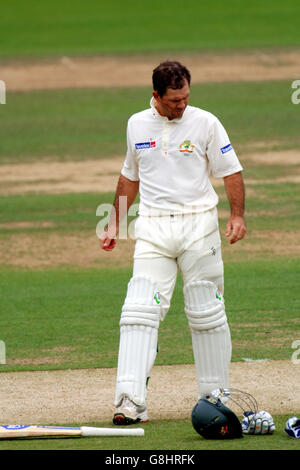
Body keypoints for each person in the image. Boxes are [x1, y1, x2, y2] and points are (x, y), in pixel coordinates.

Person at [100, 61, 246, 425]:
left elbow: (230, 170)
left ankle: (214, 401)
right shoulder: (136, 123)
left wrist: (237, 215)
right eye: (173, 100)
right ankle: (129, 401)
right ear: (156, 96)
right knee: (138, 312)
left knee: (206, 312)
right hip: (152, 228)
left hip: (199, 226)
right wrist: (115, 221)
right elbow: (129, 176)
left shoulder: (205, 122)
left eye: (185, 98)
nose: (181, 106)